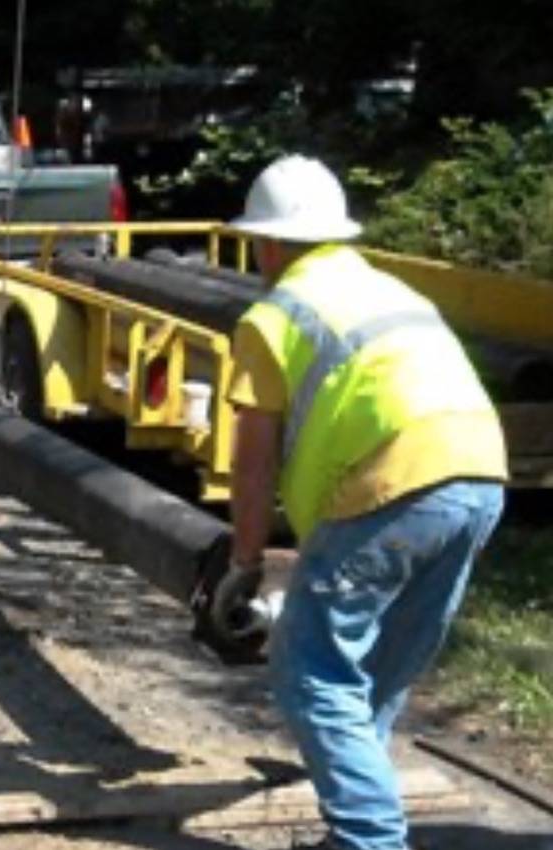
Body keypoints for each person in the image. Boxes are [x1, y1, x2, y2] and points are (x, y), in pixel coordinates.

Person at [211, 155, 508, 850]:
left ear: (271, 243)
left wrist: (245, 562)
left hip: (391, 485)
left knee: (309, 669)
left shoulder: (274, 315)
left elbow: (251, 463)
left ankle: (370, 839)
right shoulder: (392, 291)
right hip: (480, 476)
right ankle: (357, 828)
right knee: (375, 672)